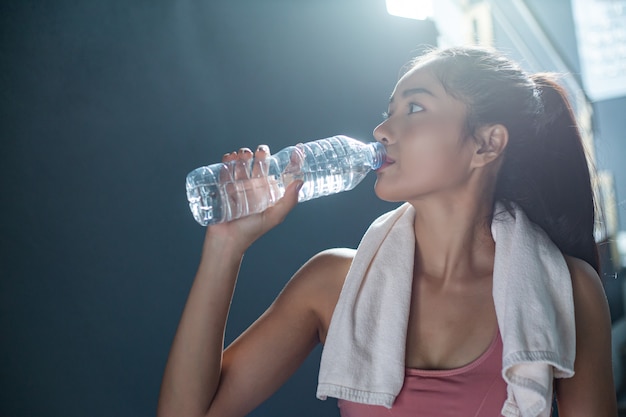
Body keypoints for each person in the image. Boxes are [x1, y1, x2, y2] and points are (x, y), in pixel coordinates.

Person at [157, 46, 617, 416]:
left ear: (486, 143)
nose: (381, 129)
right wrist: (225, 247)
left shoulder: (564, 289)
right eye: (388, 109)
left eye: (415, 107)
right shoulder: (333, 283)